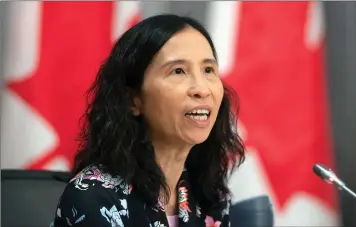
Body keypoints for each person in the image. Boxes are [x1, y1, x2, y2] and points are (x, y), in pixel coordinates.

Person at [51, 14, 245, 227]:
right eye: (178, 71)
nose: (202, 89)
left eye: (208, 70)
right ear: (133, 99)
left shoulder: (210, 198)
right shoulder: (95, 199)